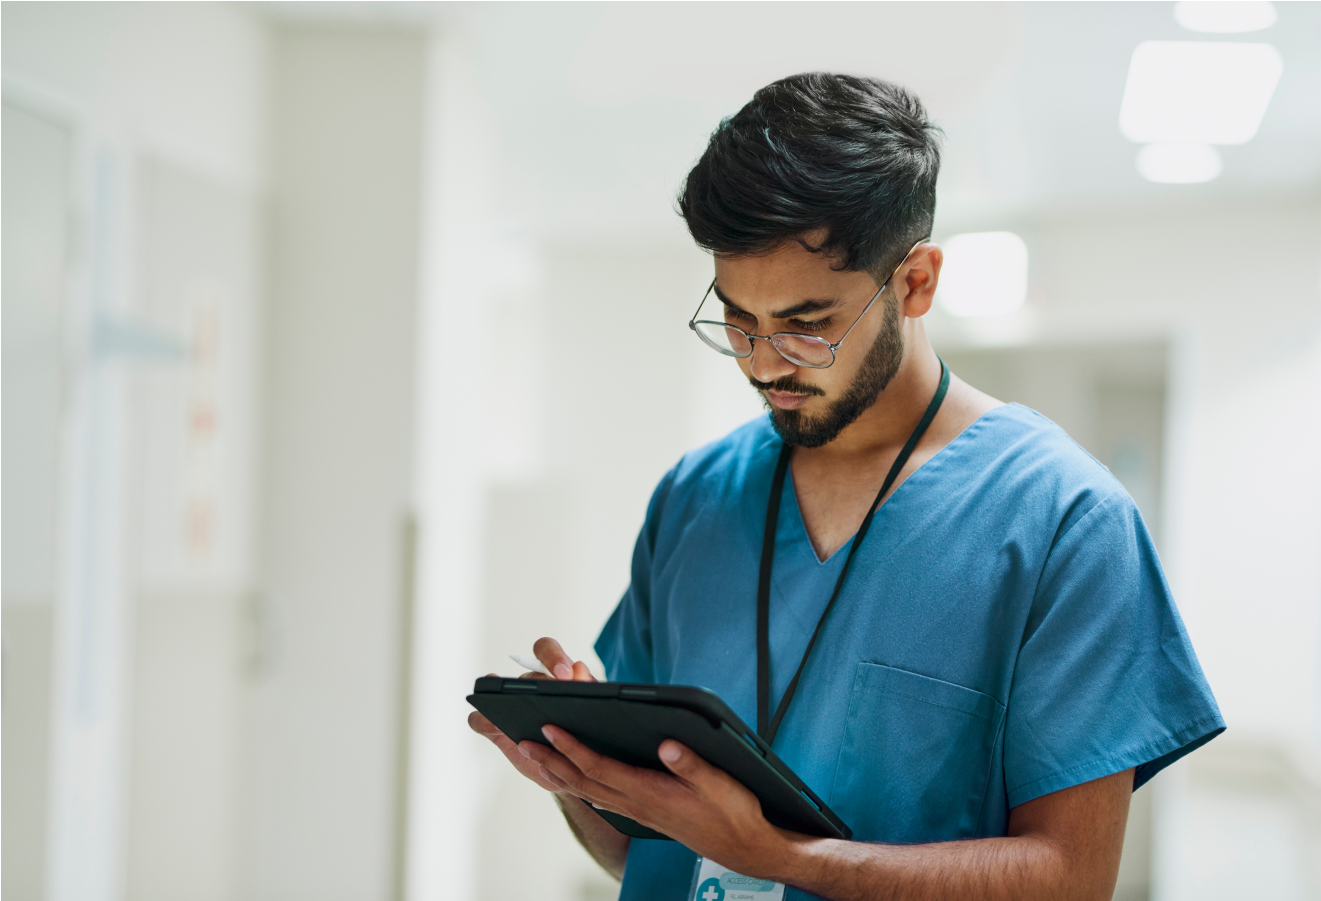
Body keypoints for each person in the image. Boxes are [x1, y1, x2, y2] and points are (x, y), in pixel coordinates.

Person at [468, 72, 1223, 901]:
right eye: (737, 320)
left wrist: (787, 859)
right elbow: (646, 852)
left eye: (805, 324)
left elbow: (1070, 880)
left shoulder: (1061, 521)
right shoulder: (694, 497)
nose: (762, 362)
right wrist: (581, 776)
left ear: (915, 282)